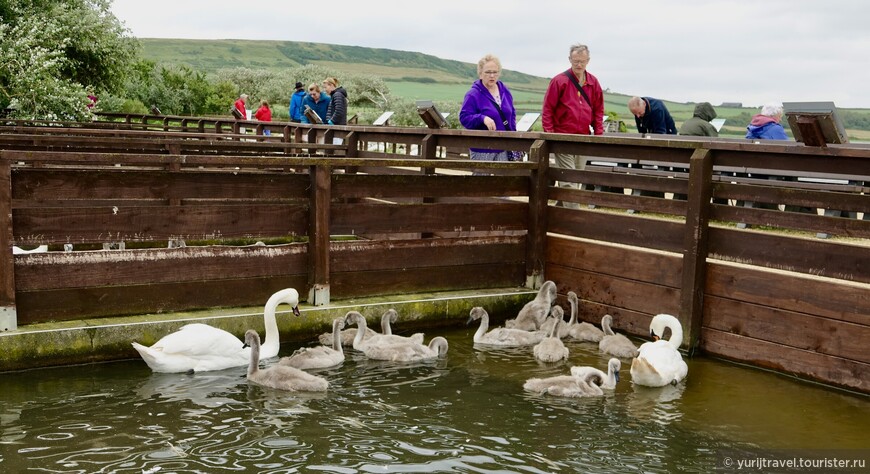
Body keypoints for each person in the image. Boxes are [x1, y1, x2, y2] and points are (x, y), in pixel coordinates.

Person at [541, 43, 605, 207]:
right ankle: (575, 217)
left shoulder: (593, 83)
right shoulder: (559, 81)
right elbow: (548, 109)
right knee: (568, 180)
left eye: (582, 61)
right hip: (563, 137)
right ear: (570, 59)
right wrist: (551, 135)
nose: (579, 65)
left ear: (588, 60)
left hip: (583, 137)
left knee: (576, 178)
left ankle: (558, 214)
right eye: (576, 61)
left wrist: (598, 135)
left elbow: (598, 110)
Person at [459, 54, 517, 164]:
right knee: (481, 180)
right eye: (488, 72)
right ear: (480, 74)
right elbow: (464, 118)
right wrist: (482, 118)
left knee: (502, 180)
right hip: (482, 148)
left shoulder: (505, 91)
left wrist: (513, 137)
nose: (492, 76)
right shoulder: (473, 94)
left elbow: (512, 114)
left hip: (503, 147)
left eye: (495, 72)